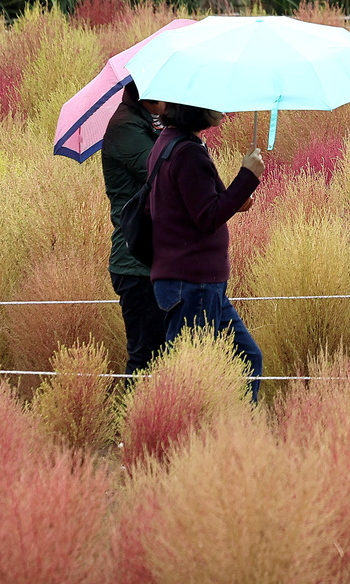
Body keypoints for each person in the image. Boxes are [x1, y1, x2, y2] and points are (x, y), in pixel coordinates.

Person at [146, 102, 266, 399]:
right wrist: (247, 175)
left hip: (194, 284)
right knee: (190, 380)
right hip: (194, 285)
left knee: (247, 358)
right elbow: (207, 216)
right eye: (213, 103)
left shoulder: (170, 143)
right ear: (194, 108)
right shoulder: (187, 153)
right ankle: (180, 437)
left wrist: (237, 197)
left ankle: (233, 435)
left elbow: (197, 206)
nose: (222, 108)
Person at [101, 82, 167, 377]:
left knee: (164, 356)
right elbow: (162, 171)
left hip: (155, 259)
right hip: (136, 262)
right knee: (145, 359)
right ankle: (135, 422)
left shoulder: (145, 122)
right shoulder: (125, 128)